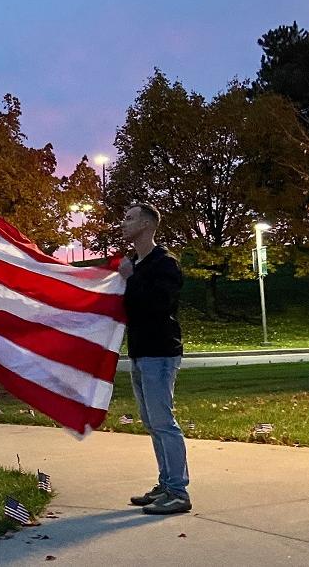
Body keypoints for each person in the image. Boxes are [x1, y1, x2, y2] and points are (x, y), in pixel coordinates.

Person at [117, 203, 191, 514]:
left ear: (147, 225)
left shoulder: (165, 263)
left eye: (130, 217)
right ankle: (166, 483)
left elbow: (159, 304)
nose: (124, 222)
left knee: (164, 423)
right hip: (140, 351)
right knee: (152, 423)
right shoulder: (135, 261)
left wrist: (131, 278)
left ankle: (178, 492)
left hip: (160, 353)